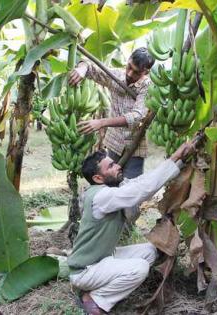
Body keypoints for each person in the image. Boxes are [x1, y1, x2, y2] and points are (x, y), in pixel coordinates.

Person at [67, 141, 195, 315]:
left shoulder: (113, 187)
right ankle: (95, 299)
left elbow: (140, 182)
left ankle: (102, 286)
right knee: (140, 267)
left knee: (150, 251)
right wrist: (175, 156)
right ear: (98, 178)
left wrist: (180, 161)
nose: (118, 166)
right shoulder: (101, 196)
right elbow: (140, 191)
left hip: (103, 259)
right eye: (111, 166)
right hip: (86, 270)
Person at [68, 47, 155, 179]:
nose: (130, 74)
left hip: (135, 146)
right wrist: (82, 68)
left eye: (136, 72)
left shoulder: (148, 86)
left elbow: (137, 116)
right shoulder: (117, 76)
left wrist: (102, 122)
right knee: (109, 182)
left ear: (146, 72)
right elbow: (91, 67)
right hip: (114, 142)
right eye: (129, 67)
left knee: (131, 187)